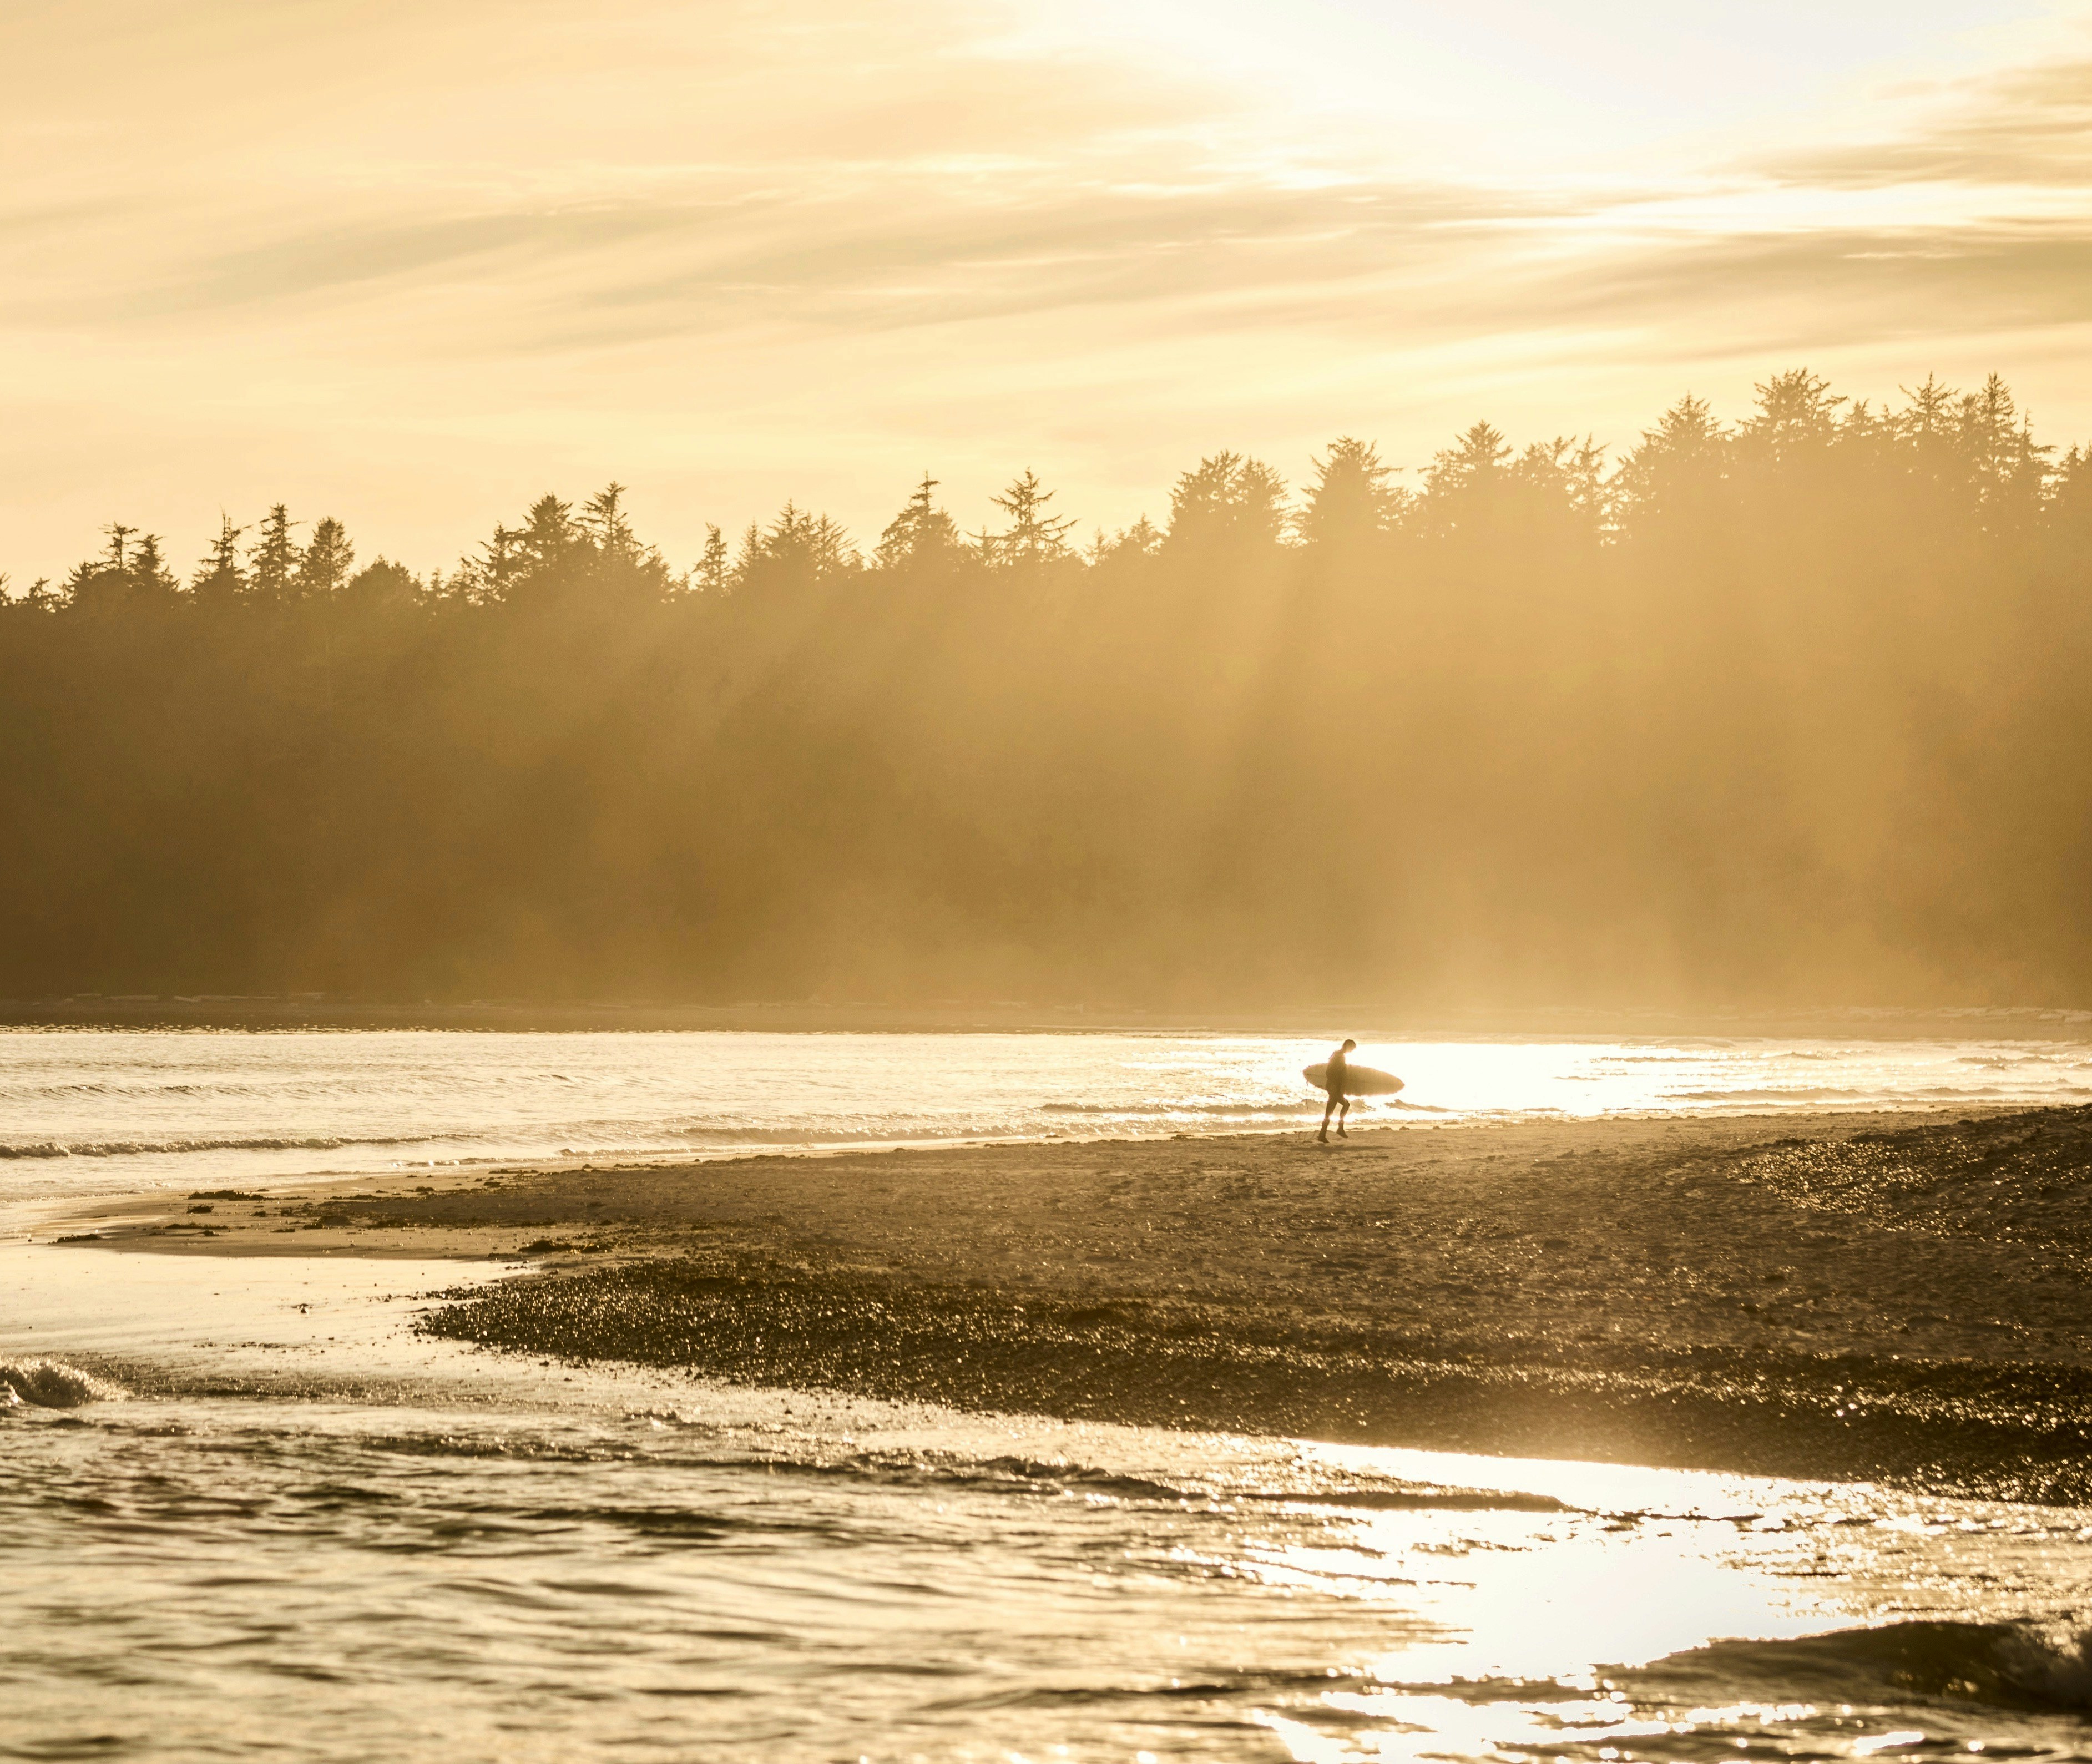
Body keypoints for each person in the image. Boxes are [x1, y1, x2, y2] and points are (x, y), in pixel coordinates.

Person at [1318, 1039, 1356, 1143]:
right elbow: (1329, 1072)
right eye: (1352, 1048)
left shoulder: (1339, 1056)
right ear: (1347, 1046)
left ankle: (1323, 1134)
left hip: (1335, 1088)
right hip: (1334, 1088)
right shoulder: (1338, 1056)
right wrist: (1335, 1086)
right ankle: (1339, 1129)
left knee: (1330, 1111)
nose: (1352, 1050)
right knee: (1343, 1106)